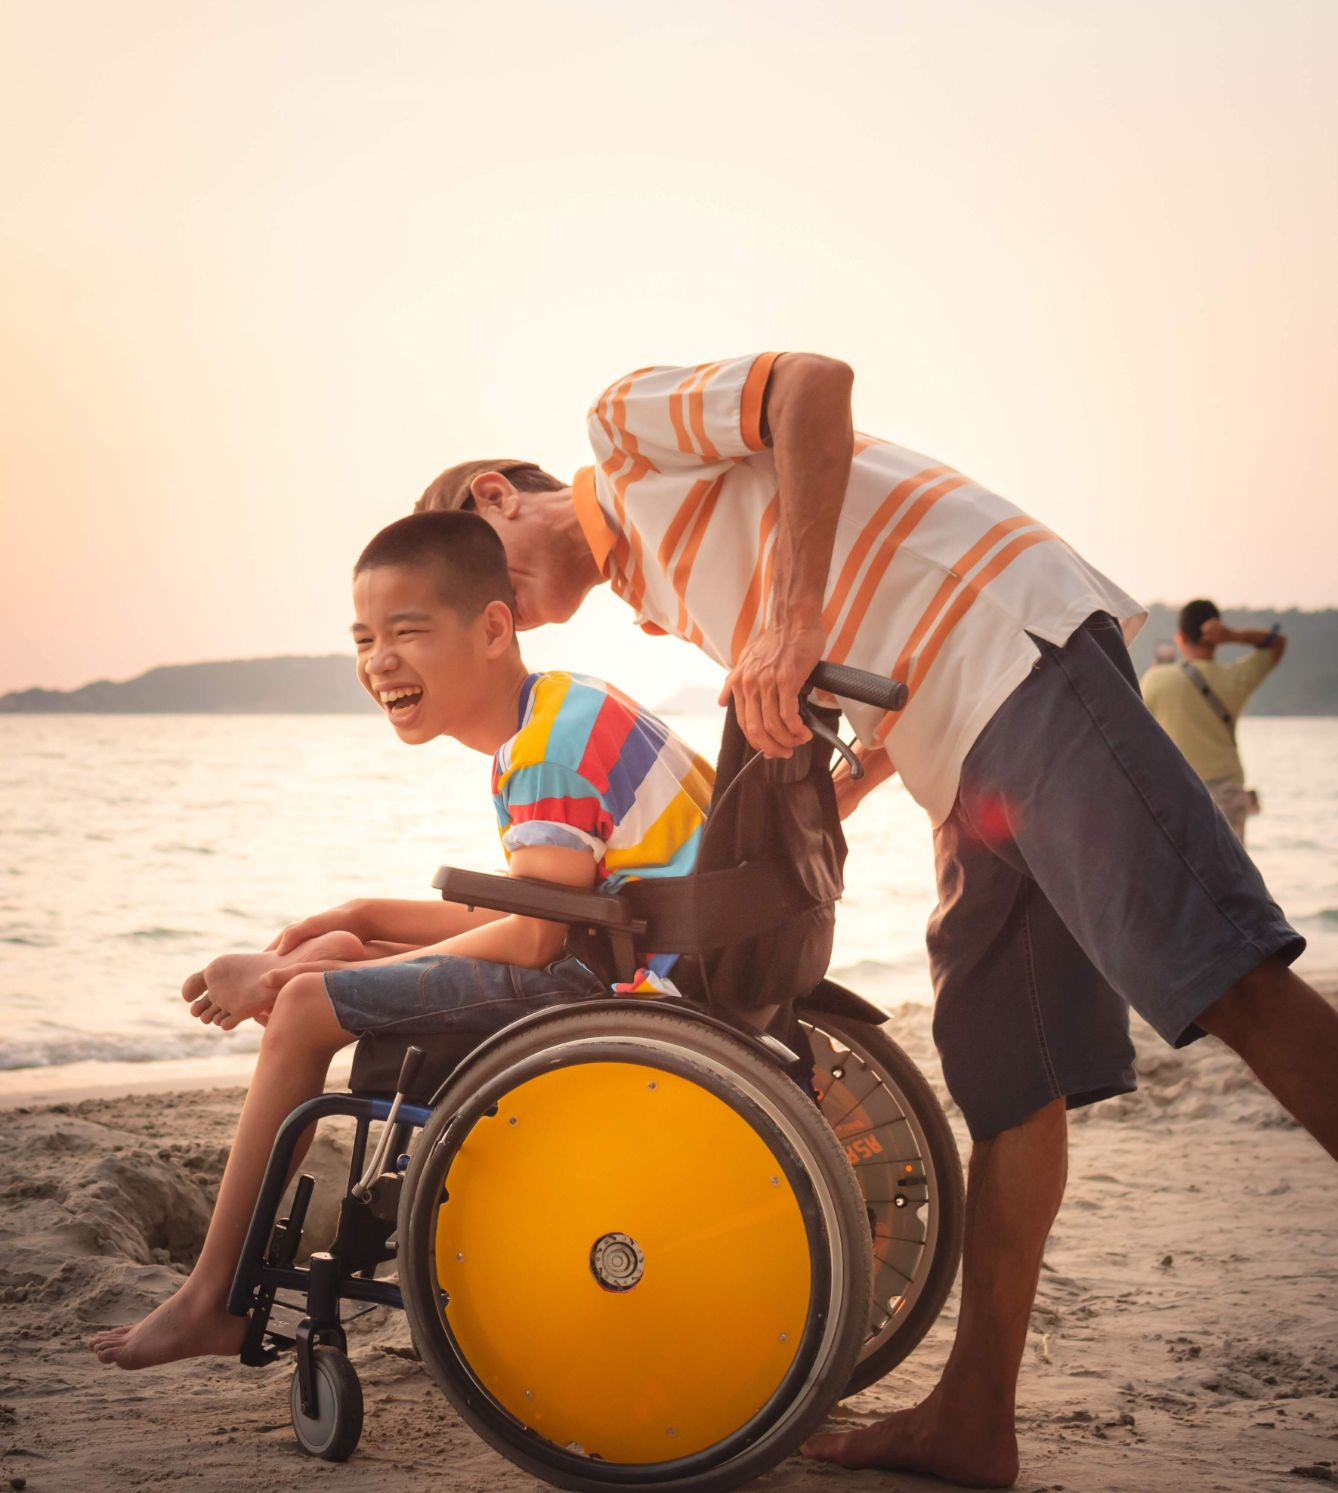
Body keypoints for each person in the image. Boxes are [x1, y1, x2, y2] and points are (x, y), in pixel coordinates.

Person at [418, 353, 1338, 1489]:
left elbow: (810, 384)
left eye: (473, 566)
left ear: (498, 497)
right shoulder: (660, 596)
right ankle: (972, 1417)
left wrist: (790, 619)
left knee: (1227, 976)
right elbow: (857, 643)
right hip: (963, 744)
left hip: (1014, 656)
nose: (484, 604)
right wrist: (855, 773)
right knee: (1010, 1074)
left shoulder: (621, 434)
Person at [89, 510, 712, 1371]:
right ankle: (222, 1280)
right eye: (364, 638)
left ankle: (213, 1297)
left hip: (625, 997)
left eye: (407, 632)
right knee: (339, 958)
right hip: (633, 962)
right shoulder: (562, 710)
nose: (379, 660)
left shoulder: (544, 748)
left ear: (494, 628)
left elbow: (533, 940)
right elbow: (551, 914)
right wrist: (363, 919)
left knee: (307, 1003)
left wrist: (283, 973)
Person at [1141, 598, 1286, 842]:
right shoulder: (1235, 677)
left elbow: (1136, 731)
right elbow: (1278, 644)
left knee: (1181, 877)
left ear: (1180, 638)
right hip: (1227, 793)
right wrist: (1233, 635)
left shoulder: (1156, 679)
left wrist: (1157, 671)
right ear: (1217, 638)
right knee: (1229, 878)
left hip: (1178, 792)